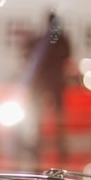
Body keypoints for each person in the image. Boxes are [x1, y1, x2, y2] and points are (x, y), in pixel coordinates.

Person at [25, 11, 71, 164]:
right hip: (50, 82)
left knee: (51, 116)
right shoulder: (60, 40)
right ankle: (49, 144)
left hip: (49, 83)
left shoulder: (56, 40)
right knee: (45, 116)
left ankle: (57, 145)